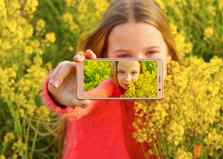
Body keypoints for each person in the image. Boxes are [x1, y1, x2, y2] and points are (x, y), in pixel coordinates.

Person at [41, 0, 179, 159]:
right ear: (105, 56)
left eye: (151, 53)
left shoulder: (185, 93)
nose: (138, 65)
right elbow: (88, 99)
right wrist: (67, 93)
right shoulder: (105, 88)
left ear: (168, 54)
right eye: (123, 56)